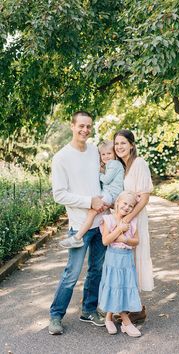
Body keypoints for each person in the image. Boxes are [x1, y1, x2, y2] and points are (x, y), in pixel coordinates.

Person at [48, 111, 107, 335]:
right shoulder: (61, 157)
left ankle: (88, 310)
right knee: (71, 274)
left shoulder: (93, 151)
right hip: (80, 225)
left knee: (96, 269)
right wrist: (88, 201)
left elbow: (99, 178)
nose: (85, 130)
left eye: (89, 126)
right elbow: (59, 195)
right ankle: (55, 316)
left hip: (100, 223)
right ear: (72, 126)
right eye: (81, 126)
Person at [113, 129, 154, 323]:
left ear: (132, 144)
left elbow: (144, 197)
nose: (119, 147)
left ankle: (137, 308)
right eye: (116, 143)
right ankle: (131, 306)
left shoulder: (139, 163)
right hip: (124, 219)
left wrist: (128, 219)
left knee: (136, 258)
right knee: (126, 260)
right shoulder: (122, 166)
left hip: (135, 219)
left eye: (123, 143)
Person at [59, 140, 124, 248]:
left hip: (111, 194)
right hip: (108, 193)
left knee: (92, 212)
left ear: (115, 153)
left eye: (109, 153)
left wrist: (97, 172)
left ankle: (77, 238)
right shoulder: (110, 164)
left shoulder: (114, 164)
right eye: (103, 154)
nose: (106, 156)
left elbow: (106, 180)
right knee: (92, 212)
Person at [98, 191, 142, 337]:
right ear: (117, 202)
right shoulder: (108, 220)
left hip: (127, 260)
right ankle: (126, 322)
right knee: (115, 285)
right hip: (113, 259)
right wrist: (119, 230)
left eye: (131, 206)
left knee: (122, 286)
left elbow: (136, 241)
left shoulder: (132, 221)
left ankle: (108, 318)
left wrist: (126, 240)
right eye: (124, 203)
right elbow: (105, 241)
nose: (127, 207)